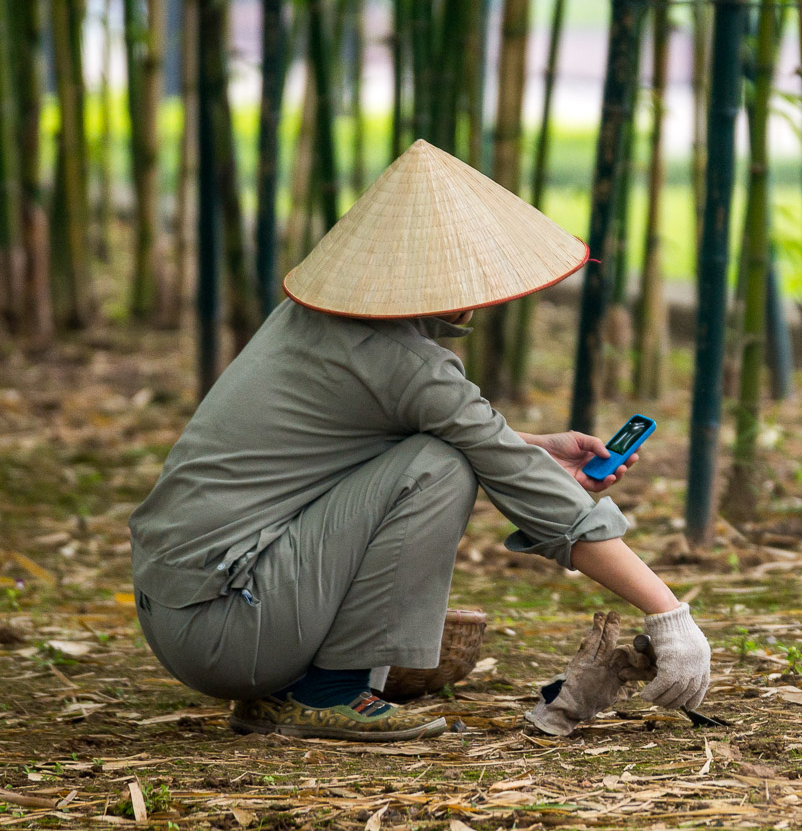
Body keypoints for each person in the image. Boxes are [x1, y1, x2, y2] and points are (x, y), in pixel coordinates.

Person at [128, 140, 712, 741]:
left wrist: (530, 449)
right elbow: (541, 502)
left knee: (445, 452)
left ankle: (294, 691)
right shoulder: (405, 366)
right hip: (227, 626)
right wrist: (668, 614)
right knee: (441, 465)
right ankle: (328, 692)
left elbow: (373, 436)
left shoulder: (307, 319)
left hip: (181, 603)